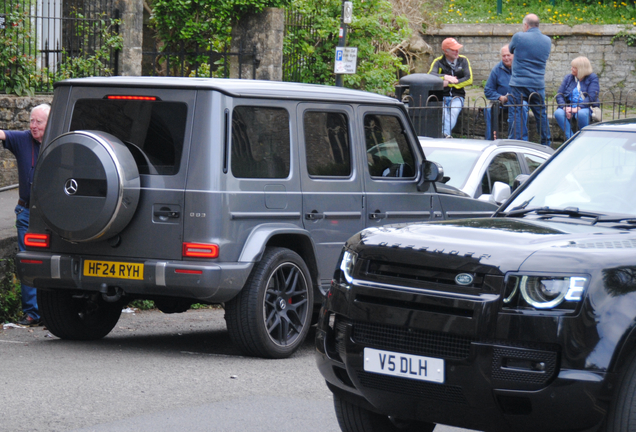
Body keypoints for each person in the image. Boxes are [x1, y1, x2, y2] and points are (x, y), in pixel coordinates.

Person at [0, 103, 50, 326]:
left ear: (50, 123)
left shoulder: (61, 141)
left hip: (55, 216)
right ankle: (32, 313)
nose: (33, 126)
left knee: (54, 263)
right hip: (27, 212)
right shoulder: (22, 140)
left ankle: (55, 312)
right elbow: (2, 133)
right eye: (31, 121)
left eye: (38, 122)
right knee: (29, 262)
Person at [509, 13, 552, 146]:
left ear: (526, 25)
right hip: (537, 84)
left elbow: (511, 50)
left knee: (517, 111)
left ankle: (518, 142)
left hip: (519, 83)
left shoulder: (519, 36)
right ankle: (546, 142)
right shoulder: (547, 40)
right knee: (541, 114)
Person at [428, 37, 473, 138]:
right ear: (446, 51)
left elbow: (469, 79)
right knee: (443, 115)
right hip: (440, 95)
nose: (457, 51)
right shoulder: (438, 61)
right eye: (453, 49)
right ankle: (447, 136)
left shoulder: (463, 60)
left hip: (457, 95)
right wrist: (444, 76)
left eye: (457, 49)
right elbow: (430, 76)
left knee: (453, 113)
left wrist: (449, 83)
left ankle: (444, 135)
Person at [484, 44, 528, 140]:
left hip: (518, 101)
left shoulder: (521, 69)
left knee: (523, 107)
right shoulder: (496, 70)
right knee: (488, 109)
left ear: (514, 55)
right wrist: (500, 97)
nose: (506, 58)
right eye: (504, 56)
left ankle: (522, 139)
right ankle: (490, 139)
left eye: (509, 55)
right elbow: (488, 90)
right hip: (502, 102)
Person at [554, 56, 600, 140]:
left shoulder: (592, 78)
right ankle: (571, 139)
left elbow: (591, 97)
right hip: (569, 106)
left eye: (574, 67)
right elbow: (559, 94)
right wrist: (565, 107)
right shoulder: (568, 78)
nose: (571, 69)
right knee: (558, 113)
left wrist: (577, 108)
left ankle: (583, 138)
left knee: (581, 114)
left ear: (581, 69)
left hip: (584, 106)